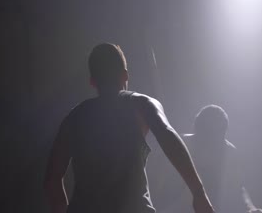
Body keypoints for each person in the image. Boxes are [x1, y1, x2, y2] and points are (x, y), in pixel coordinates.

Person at [44, 43, 214, 213]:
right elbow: (167, 135)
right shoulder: (141, 104)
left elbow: (52, 179)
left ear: (92, 81)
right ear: (125, 75)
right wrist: (199, 193)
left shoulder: (74, 117)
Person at [161, 105, 262, 213]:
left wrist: (251, 208)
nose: (214, 145)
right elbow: (162, 190)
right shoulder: (178, 147)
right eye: (209, 137)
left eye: (218, 139)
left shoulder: (229, 152)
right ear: (197, 130)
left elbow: (239, 187)